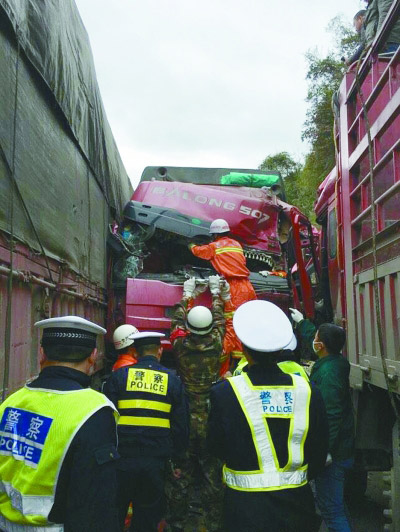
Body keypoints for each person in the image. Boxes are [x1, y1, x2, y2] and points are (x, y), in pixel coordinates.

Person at [207, 300, 329, 532]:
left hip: (244, 510)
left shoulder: (225, 393)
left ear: (243, 349)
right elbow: (319, 450)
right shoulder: (307, 390)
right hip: (298, 508)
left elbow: (215, 447)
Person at [0, 316, 119, 532]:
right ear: (93, 357)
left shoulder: (10, 404)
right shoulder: (95, 411)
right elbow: (95, 501)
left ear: (42, 354)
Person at [103, 331, 190, 532]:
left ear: (135, 353)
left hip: (121, 460)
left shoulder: (118, 377)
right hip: (155, 462)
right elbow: (180, 425)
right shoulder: (173, 380)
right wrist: (178, 461)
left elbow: (106, 420)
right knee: (147, 516)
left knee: (114, 513)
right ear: (159, 351)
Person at [166, 275, 226, 531]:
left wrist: (187, 295)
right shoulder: (216, 344)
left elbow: (177, 321)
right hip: (210, 418)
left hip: (186, 419)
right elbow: (220, 320)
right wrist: (215, 294)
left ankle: (177, 522)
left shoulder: (180, 345)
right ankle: (214, 523)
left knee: (181, 475)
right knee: (213, 476)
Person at [189, 218, 256, 364]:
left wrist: (191, 245)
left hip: (234, 286)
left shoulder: (214, 246)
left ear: (214, 235)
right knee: (246, 321)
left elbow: (199, 252)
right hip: (247, 286)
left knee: (233, 322)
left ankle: (237, 359)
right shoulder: (236, 244)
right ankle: (247, 354)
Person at [310, 323, 355, 532]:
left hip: (334, 453)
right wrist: (304, 324)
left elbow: (331, 414)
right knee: (336, 506)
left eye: (316, 337)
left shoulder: (328, 374)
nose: (313, 340)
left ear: (321, 345)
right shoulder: (335, 363)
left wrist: (324, 449)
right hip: (341, 448)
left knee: (331, 509)